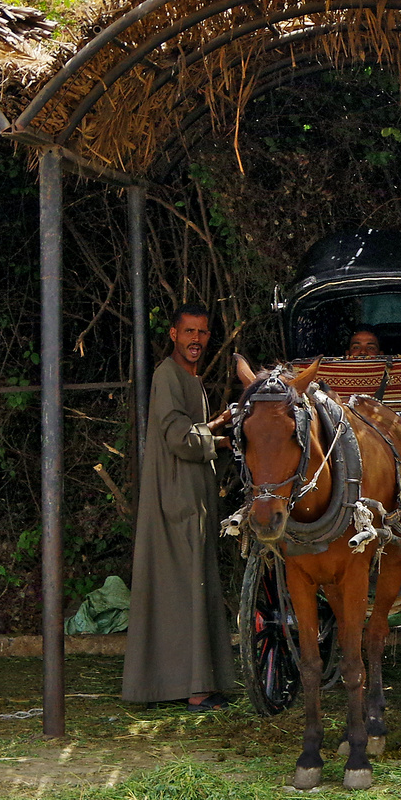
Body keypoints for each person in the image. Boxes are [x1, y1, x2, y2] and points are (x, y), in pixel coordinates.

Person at [121, 304, 235, 711]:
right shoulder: (167, 375)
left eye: (202, 333)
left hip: (191, 495)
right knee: (183, 588)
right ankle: (195, 689)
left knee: (187, 588)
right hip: (176, 499)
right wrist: (216, 433)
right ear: (173, 334)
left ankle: (182, 684)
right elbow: (179, 438)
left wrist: (219, 438)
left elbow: (194, 437)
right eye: (189, 331)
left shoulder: (191, 377)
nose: (196, 340)